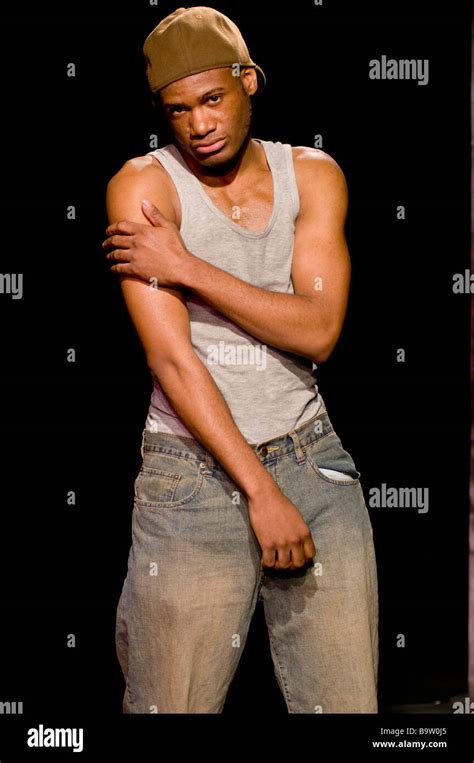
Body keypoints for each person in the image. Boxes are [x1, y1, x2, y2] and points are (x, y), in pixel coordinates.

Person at [103, 6, 379, 714]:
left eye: (212, 99)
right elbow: (174, 361)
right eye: (178, 110)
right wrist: (261, 493)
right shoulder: (144, 187)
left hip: (312, 459)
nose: (198, 125)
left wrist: (186, 266)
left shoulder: (312, 175)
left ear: (249, 81)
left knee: (346, 705)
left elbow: (318, 330)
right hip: (190, 474)